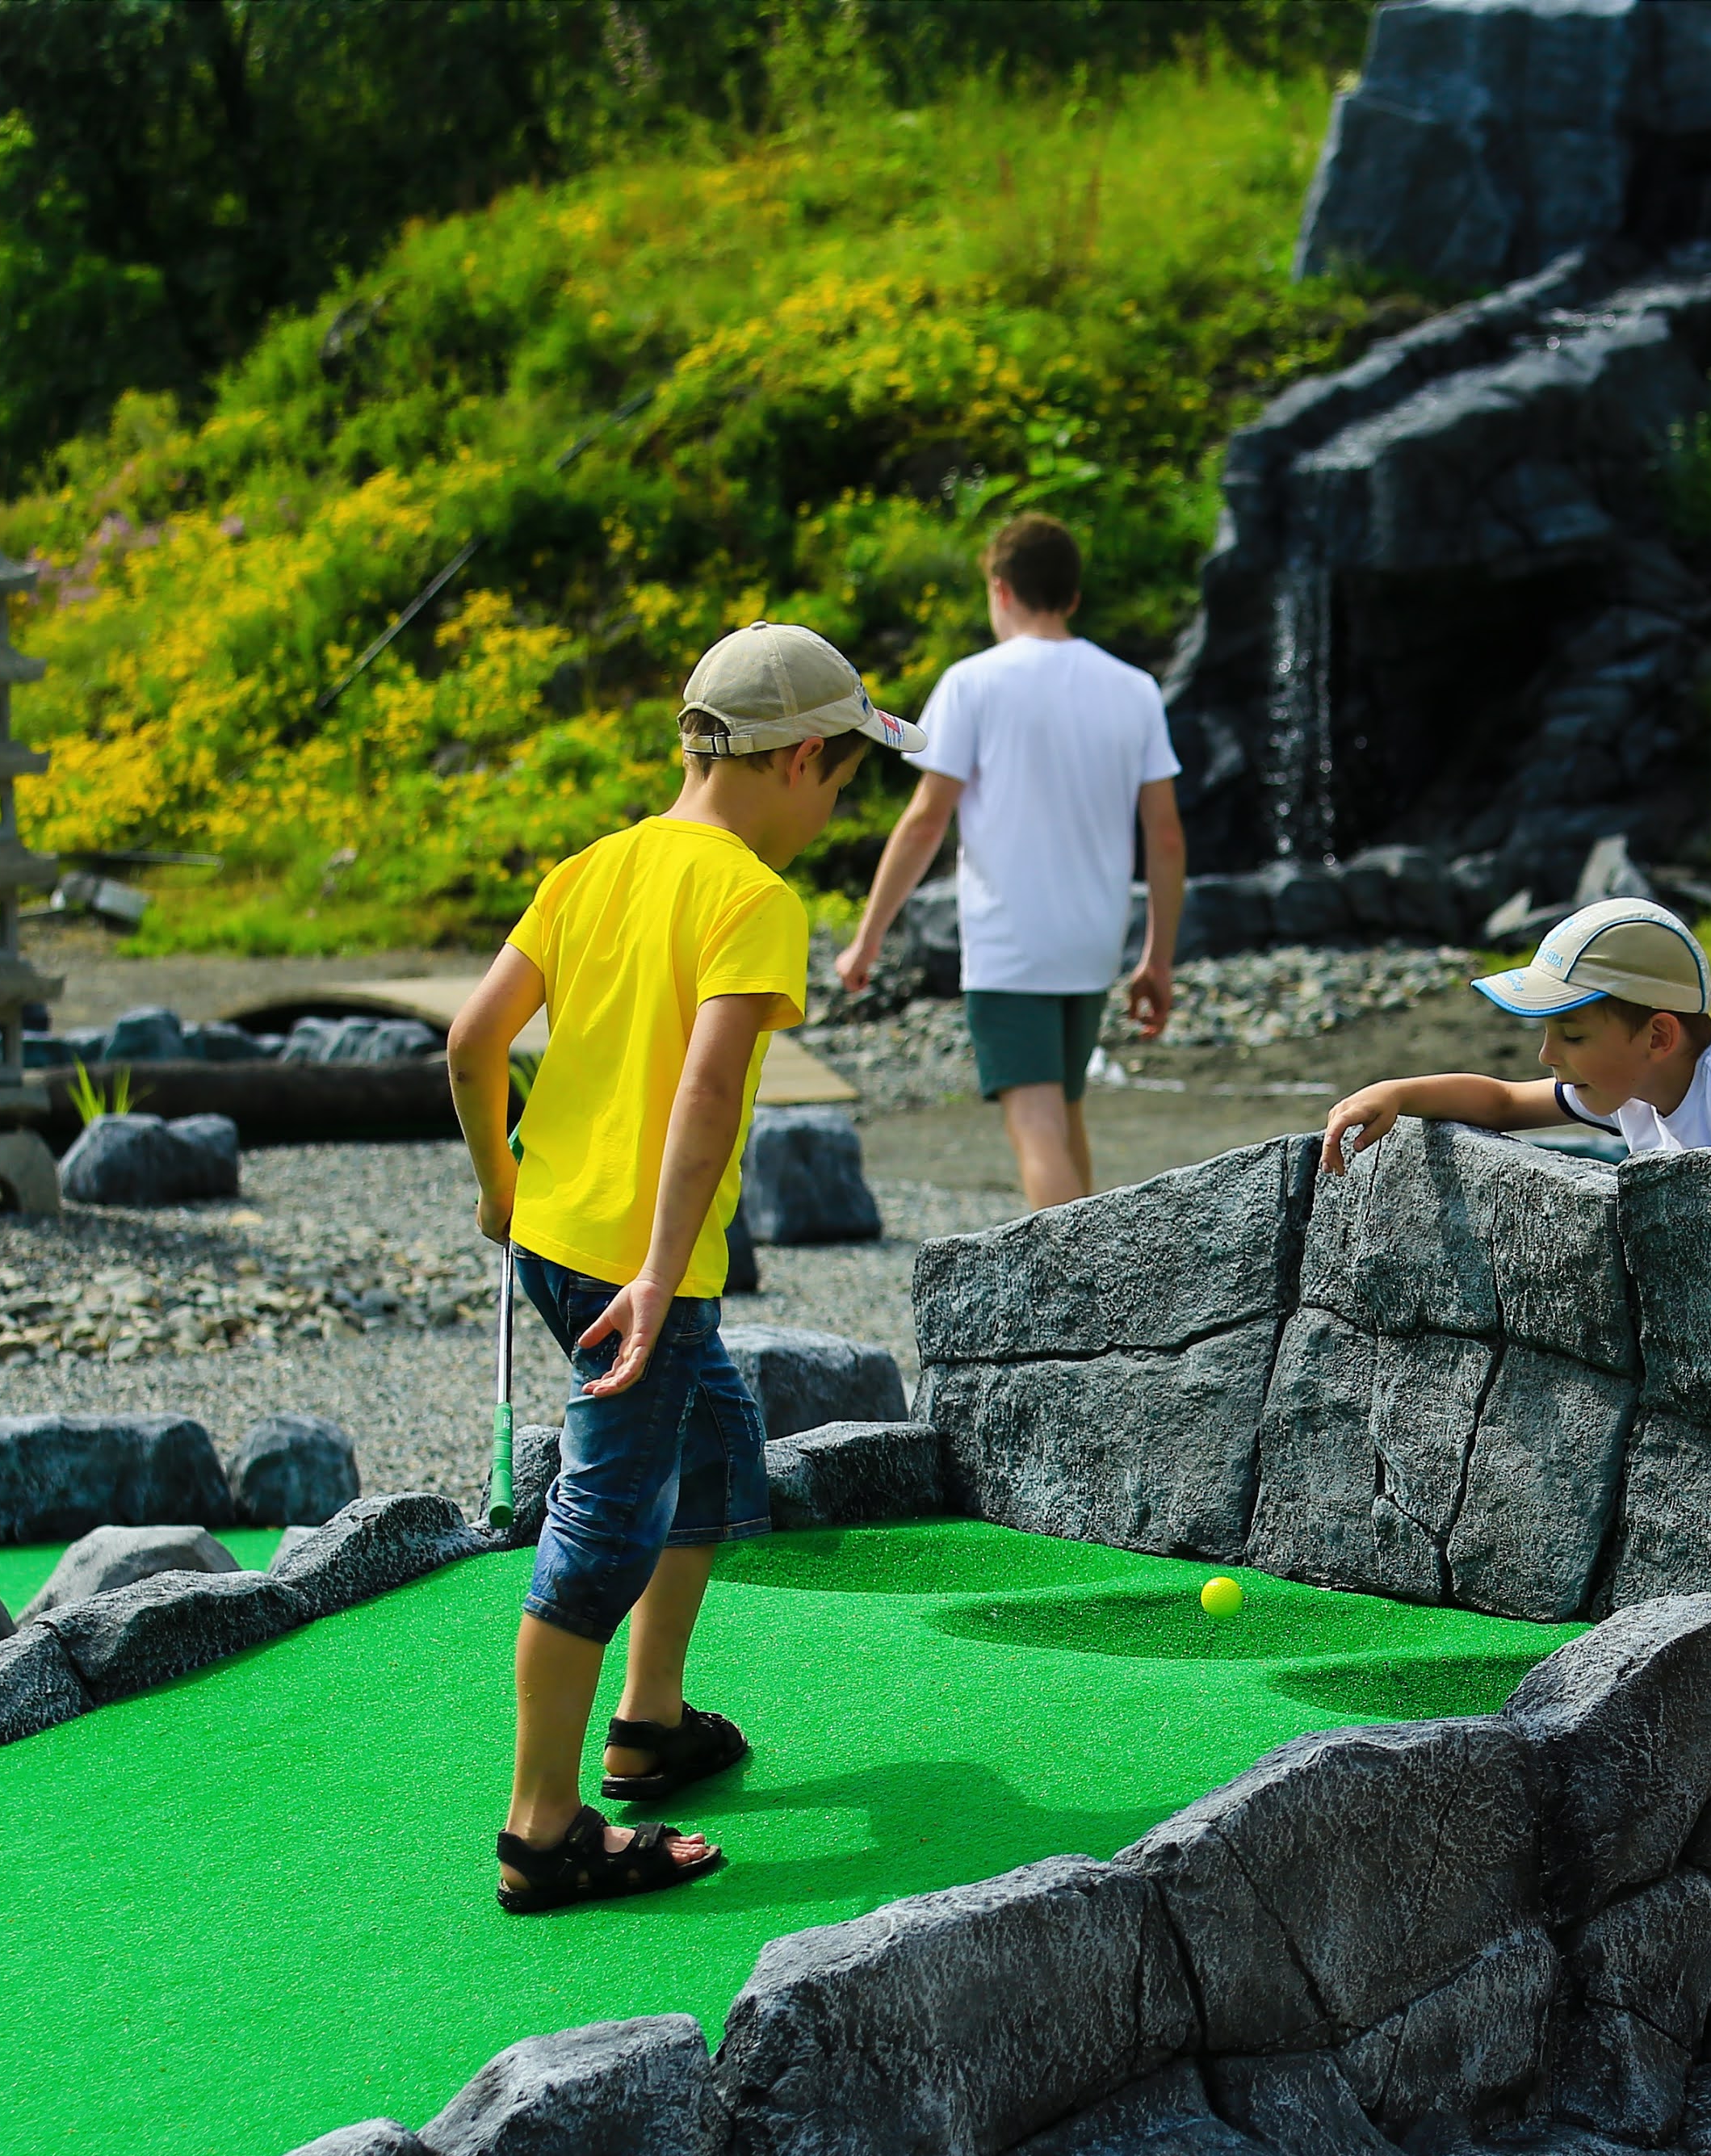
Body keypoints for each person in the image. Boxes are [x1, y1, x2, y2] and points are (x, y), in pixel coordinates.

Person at [444, 620, 920, 1915]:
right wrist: (657, 1274)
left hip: (558, 1239)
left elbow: (473, 1042)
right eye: (843, 782)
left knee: (711, 1443)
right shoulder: (753, 898)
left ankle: (649, 1724)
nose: (834, 810)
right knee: (605, 1518)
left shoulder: (589, 868)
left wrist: (499, 1188)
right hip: (636, 1271)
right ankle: (542, 1830)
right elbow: (708, 1091)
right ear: (803, 759)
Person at [834, 514, 1185, 1209]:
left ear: (1000, 589)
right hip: (1093, 941)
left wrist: (867, 937)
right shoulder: (1135, 688)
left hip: (1012, 944)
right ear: (1073, 596)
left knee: (1035, 1122)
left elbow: (926, 821)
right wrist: (1158, 958)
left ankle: (1071, 1277)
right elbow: (1166, 836)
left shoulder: (973, 683)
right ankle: (1094, 1262)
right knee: (1065, 1111)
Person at [1317, 896, 1711, 1173]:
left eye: (1572, 1036)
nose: (1547, 1055)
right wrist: (1396, 1093)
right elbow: (1503, 1102)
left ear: (1658, 1037)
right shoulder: (1633, 1087)